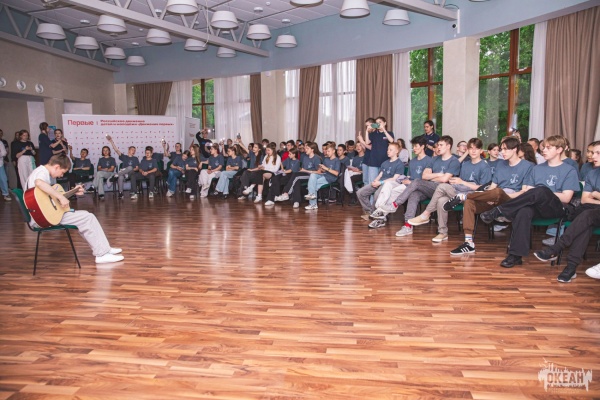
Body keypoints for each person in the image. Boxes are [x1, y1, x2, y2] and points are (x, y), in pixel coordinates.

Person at [480, 135, 580, 269]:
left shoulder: (569, 170)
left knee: (541, 190)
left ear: (559, 150)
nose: (544, 150)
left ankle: (499, 210)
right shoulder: (537, 168)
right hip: (536, 206)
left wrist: (545, 192)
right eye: (544, 147)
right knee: (523, 211)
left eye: (548, 148)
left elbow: (566, 197)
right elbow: (529, 192)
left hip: (557, 207)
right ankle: (515, 255)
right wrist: (539, 193)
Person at [26, 154, 124, 264]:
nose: (61, 175)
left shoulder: (40, 171)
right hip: (43, 218)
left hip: (44, 215)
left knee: (87, 216)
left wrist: (73, 192)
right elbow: (39, 183)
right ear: (57, 167)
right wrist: (60, 197)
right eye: (62, 172)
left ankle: (105, 248)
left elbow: (50, 199)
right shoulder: (42, 172)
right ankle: (101, 254)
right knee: (87, 218)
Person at [448, 137, 533, 255]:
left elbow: (524, 192)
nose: (502, 152)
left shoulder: (528, 166)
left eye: (505, 149)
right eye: (501, 149)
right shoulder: (501, 164)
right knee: (469, 203)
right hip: (494, 198)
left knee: (498, 192)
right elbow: (492, 186)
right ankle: (469, 243)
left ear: (514, 149)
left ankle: (465, 196)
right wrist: (489, 197)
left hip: (512, 200)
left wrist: (500, 195)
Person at [534, 141, 600, 282]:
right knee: (586, 222)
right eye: (593, 152)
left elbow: (589, 197)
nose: (593, 156)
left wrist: (595, 194)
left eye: (598, 153)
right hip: (589, 210)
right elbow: (584, 200)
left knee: (586, 216)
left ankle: (556, 249)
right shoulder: (592, 173)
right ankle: (570, 268)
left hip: (592, 212)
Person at [408, 138, 492, 243]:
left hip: (471, 197)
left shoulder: (485, 166)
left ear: (481, 150)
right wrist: (455, 181)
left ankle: (426, 214)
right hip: (458, 192)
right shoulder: (465, 164)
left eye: (476, 148)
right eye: (471, 148)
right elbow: (459, 182)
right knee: (441, 201)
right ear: (468, 150)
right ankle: (443, 232)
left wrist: (462, 182)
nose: (473, 151)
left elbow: (484, 189)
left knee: (442, 186)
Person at [391, 136, 461, 237]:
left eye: (441, 145)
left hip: (444, 191)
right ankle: (407, 225)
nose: (438, 147)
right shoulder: (434, 159)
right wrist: (439, 175)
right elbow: (424, 176)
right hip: (430, 188)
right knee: (414, 194)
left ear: (448, 146)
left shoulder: (454, 161)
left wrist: (433, 177)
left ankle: (395, 204)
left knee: (416, 181)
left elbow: (444, 180)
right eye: (438, 145)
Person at [368, 135, 432, 224]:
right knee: (389, 186)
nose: (414, 148)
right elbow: (409, 176)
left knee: (394, 191)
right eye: (413, 146)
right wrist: (404, 179)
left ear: (422, 146)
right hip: (407, 184)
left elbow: (427, 180)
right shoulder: (412, 161)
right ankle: (380, 212)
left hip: (419, 187)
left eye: (416, 146)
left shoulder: (429, 160)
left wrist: (410, 182)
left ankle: (380, 214)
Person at [357, 142, 404, 217]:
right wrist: (375, 181)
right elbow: (380, 175)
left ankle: (375, 214)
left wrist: (380, 182)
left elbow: (394, 179)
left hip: (388, 185)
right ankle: (369, 211)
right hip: (379, 182)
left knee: (377, 195)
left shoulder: (399, 164)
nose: (388, 151)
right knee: (360, 192)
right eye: (388, 149)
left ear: (397, 151)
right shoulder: (385, 163)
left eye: (390, 150)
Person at [274, 142, 321, 208]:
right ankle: (296, 201)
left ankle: (286, 193)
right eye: (305, 148)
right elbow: (303, 168)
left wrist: (306, 171)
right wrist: (301, 170)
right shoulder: (305, 157)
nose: (305, 149)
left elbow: (319, 172)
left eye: (307, 148)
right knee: (296, 180)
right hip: (304, 174)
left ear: (312, 150)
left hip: (311, 176)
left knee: (296, 176)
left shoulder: (316, 158)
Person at [362, 116, 394, 186]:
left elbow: (391, 140)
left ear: (384, 123)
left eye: (380, 122)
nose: (378, 124)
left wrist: (384, 130)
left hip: (385, 161)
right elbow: (367, 142)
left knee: (383, 182)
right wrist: (367, 132)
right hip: (373, 162)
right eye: (377, 123)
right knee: (372, 182)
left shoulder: (389, 133)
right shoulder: (373, 134)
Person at [356, 118, 375, 185]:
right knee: (365, 181)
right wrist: (361, 141)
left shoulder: (375, 134)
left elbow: (371, 148)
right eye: (366, 126)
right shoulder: (369, 134)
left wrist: (362, 141)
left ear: (373, 124)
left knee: (371, 181)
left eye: (368, 125)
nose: (367, 127)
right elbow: (365, 148)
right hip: (366, 159)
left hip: (372, 161)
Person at [0, 135, 10, 201]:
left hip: (0, 164)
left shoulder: (0, 143)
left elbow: (4, 153)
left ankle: (6, 194)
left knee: (3, 179)